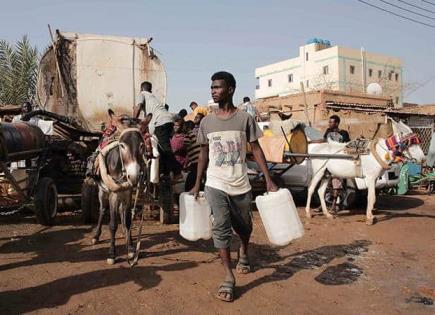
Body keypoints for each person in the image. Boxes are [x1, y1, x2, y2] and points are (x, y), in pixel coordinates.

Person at [191, 71, 277, 302]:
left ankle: (244, 252)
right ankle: (228, 276)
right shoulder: (207, 122)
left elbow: (256, 149)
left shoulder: (244, 119)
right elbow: (203, 154)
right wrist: (197, 184)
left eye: (217, 87)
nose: (213, 91)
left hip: (240, 183)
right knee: (221, 225)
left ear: (230, 89)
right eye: (211, 87)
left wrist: (268, 179)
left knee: (245, 227)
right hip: (215, 183)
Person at [134, 81, 181, 180]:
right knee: (161, 149)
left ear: (141, 88)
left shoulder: (142, 94)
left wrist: (133, 121)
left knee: (165, 148)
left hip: (161, 122)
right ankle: (165, 172)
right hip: (167, 120)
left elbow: (138, 107)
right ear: (150, 89)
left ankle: (177, 172)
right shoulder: (153, 98)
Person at [323, 115, 350, 212]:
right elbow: (323, 142)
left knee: (336, 184)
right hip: (328, 162)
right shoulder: (328, 132)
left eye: (331, 122)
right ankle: (324, 205)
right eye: (329, 122)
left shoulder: (343, 133)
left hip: (339, 162)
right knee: (327, 184)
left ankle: (334, 205)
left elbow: (347, 146)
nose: (329, 124)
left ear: (337, 123)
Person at [184, 113, 205, 192]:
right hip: (197, 160)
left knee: (191, 182)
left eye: (197, 117)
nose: (195, 118)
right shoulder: (195, 132)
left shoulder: (190, 133)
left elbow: (185, 147)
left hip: (197, 160)